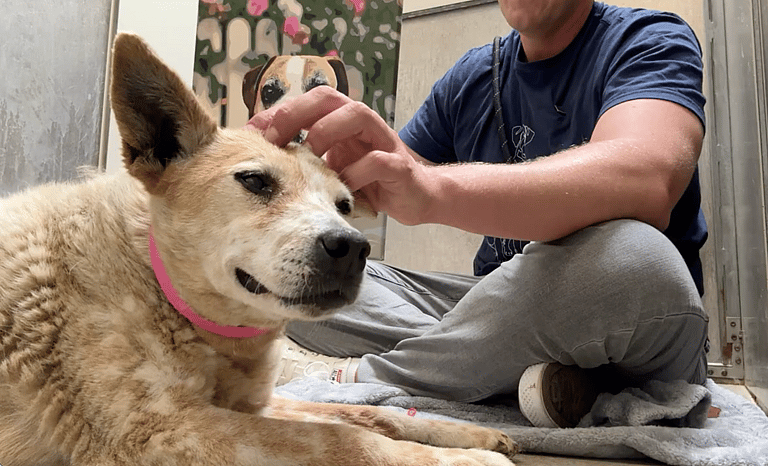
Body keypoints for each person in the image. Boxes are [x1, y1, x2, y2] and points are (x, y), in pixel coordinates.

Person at [246, 0, 710, 428]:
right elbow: (392, 181)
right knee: (313, 272)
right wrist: (333, 168)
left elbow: (648, 178)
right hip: (496, 307)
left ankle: (359, 377)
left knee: (635, 260)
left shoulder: (648, 40)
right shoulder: (473, 76)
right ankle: (519, 377)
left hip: (624, 320)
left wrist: (431, 188)